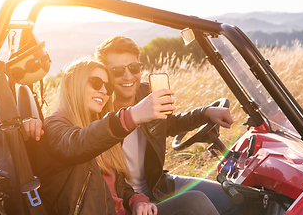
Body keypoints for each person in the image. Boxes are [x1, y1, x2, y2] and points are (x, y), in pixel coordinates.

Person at [28, 58, 219, 215]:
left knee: (194, 200)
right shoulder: (55, 125)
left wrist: (137, 200)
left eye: (107, 87)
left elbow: (118, 185)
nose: (103, 91)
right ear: (72, 86)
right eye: (95, 83)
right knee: (195, 204)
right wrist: (132, 116)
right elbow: (75, 145)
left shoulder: (95, 128)